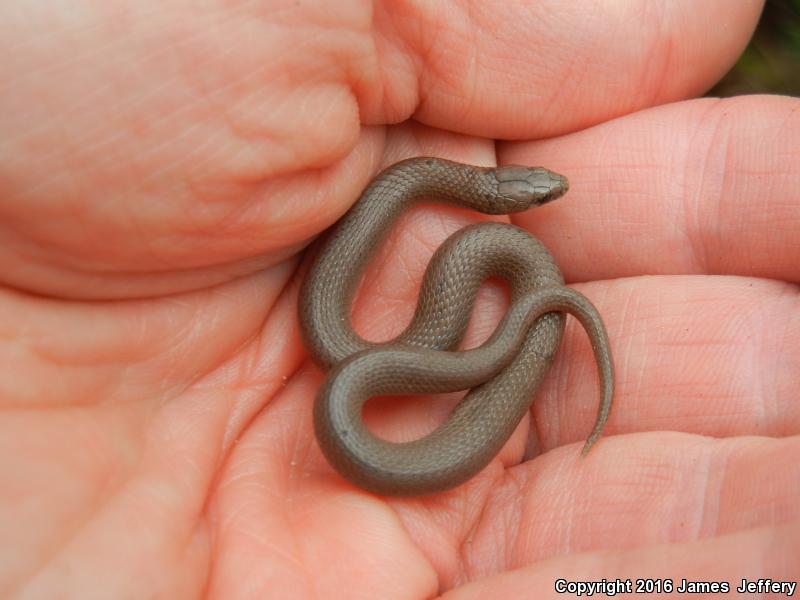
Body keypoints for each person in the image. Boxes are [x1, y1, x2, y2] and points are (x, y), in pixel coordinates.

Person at [1, 1, 797, 597]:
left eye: (541, 192)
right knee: (422, 340)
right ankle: (522, 327)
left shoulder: (437, 202)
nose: (546, 191)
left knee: (466, 315)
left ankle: (523, 323)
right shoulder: (419, 194)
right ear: (495, 196)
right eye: (538, 191)